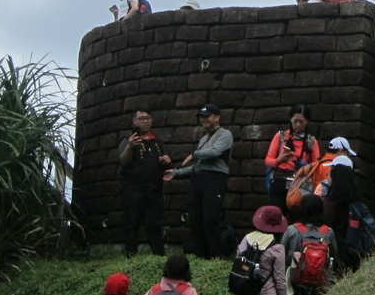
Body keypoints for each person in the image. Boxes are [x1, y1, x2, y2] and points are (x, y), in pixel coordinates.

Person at [164, 103, 234, 258]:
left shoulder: (225, 134)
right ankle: (200, 255)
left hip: (215, 180)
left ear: (217, 117)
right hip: (198, 180)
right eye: (201, 117)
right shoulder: (203, 139)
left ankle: (216, 256)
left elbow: (215, 152)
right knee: (195, 219)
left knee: (210, 218)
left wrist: (195, 154)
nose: (204, 120)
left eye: (207, 116)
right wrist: (176, 173)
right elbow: (197, 167)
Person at [118, 107, 172, 256]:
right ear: (134, 121)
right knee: (132, 223)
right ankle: (131, 255)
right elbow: (123, 162)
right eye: (141, 118)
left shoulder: (157, 142)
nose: (145, 121)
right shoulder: (127, 140)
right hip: (132, 188)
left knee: (154, 224)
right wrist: (130, 146)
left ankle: (159, 256)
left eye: (148, 118)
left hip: (154, 189)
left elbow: (164, 164)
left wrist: (166, 161)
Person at [264, 105, 320, 215]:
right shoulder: (280, 136)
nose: (298, 125)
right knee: (276, 215)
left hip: (299, 185)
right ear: (290, 120)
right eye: (295, 121)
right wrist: (278, 160)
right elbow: (268, 160)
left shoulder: (311, 141)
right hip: (279, 182)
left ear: (307, 121)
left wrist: (304, 166)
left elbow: (316, 166)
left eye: (302, 121)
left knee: (297, 217)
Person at [281, 194, 338, 292]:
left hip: (295, 281)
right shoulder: (328, 232)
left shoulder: (292, 230)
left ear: (302, 209)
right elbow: (334, 253)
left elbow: (281, 253)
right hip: (320, 281)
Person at [319, 156, 361, 273]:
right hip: (354, 252)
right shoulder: (356, 201)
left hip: (334, 252)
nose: (327, 176)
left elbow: (324, 227)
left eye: (330, 173)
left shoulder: (330, 202)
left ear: (336, 177)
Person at [236, 206, 289, 295]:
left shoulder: (247, 238)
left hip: (245, 287)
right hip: (266, 290)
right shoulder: (277, 248)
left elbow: (238, 260)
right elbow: (279, 280)